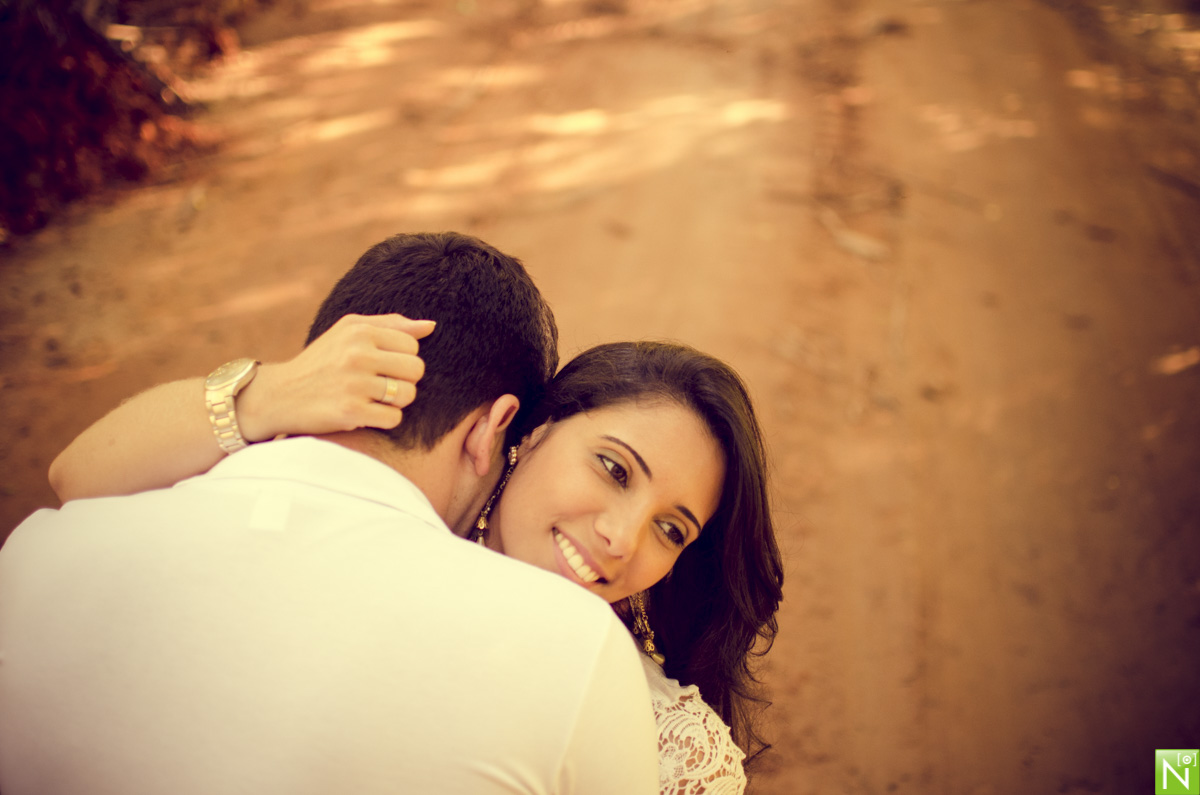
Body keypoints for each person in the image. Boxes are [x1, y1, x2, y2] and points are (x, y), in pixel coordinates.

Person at [0, 232, 661, 795]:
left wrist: (267, 390)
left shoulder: (37, 558)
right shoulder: (570, 645)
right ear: (494, 430)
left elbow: (74, 475)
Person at [50, 325, 785, 794]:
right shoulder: (367, 527)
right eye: (615, 469)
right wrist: (268, 391)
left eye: (671, 530)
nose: (623, 538)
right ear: (532, 431)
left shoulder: (666, 740)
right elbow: (75, 476)